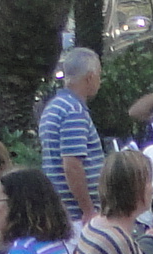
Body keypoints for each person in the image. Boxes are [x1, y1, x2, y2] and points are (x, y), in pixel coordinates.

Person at [39, 48, 107, 224]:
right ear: (90, 77)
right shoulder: (74, 111)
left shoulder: (54, 107)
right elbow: (72, 165)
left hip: (60, 208)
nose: (100, 81)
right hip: (77, 215)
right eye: (99, 76)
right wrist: (88, 210)